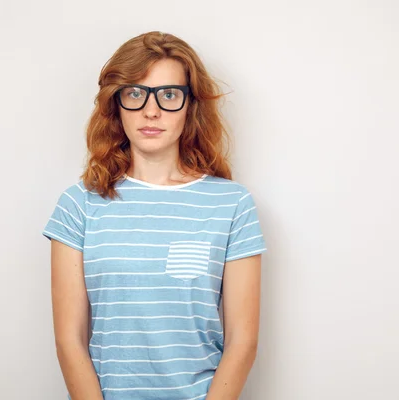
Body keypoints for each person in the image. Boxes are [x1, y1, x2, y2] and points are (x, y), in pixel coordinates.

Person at [42, 31, 267, 400]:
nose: (152, 110)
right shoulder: (79, 204)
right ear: (116, 105)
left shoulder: (231, 204)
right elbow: (69, 341)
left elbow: (243, 342)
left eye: (168, 95)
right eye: (135, 93)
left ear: (190, 105)